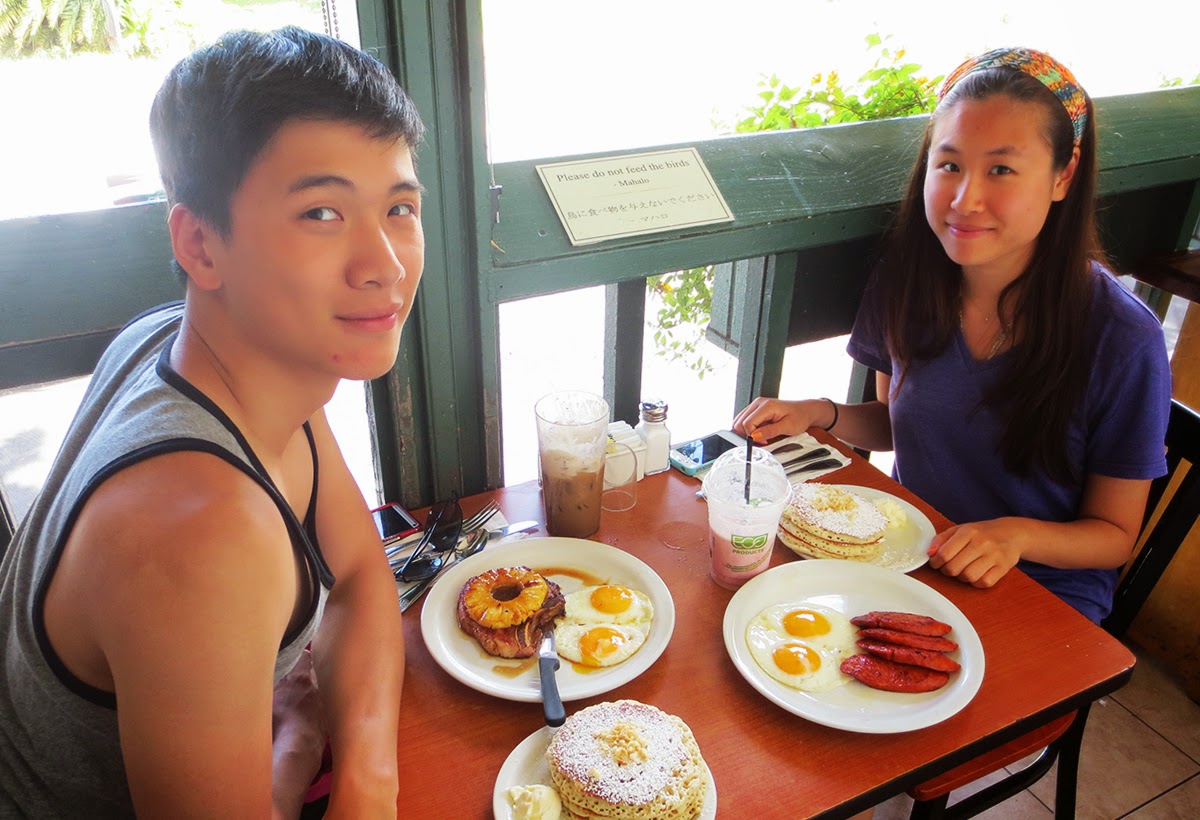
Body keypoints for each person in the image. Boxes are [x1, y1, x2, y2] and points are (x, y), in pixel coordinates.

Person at [0, 27, 424, 817]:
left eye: (399, 207)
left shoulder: (211, 351)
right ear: (199, 242)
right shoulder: (203, 533)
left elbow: (361, 575)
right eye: (322, 212)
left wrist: (369, 779)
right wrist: (298, 744)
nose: (386, 263)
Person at [734, 47, 1172, 624]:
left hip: (1041, 595)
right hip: (914, 553)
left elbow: (1114, 534)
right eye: (949, 166)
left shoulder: (1123, 338)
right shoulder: (906, 280)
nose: (966, 200)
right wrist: (820, 412)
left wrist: (1014, 536)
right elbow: (898, 423)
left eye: (1001, 170)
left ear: (1064, 175)